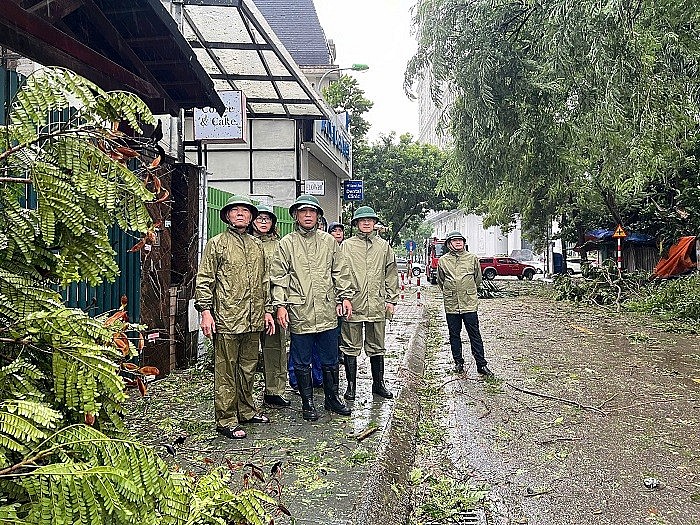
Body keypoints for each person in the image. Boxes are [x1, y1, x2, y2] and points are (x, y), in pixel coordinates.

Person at [194, 195, 276, 439]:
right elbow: (205, 279)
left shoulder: (257, 246)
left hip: (253, 319)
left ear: (250, 217)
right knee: (226, 370)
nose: (240, 213)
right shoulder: (217, 244)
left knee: (248, 367)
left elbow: (265, 281)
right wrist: (206, 312)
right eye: (235, 210)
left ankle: (247, 410)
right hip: (227, 318)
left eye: (244, 210)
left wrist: (267, 311)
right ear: (227, 216)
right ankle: (226, 418)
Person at [270, 194, 354, 421]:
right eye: (303, 211)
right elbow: (279, 277)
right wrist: (280, 306)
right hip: (300, 311)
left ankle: (332, 398)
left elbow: (340, 271)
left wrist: (344, 298)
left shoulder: (328, 242)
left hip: (327, 310)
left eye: (312, 212)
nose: (308, 215)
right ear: (296, 216)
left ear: (318, 216)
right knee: (301, 360)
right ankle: (307, 403)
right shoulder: (287, 243)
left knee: (330, 359)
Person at [340, 206, 399, 401]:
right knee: (350, 346)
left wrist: (391, 300)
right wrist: (342, 298)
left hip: (377, 303)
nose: (366, 223)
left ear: (375, 223)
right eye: (362, 220)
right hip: (353, 303)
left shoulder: (384, 247)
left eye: (370, 220)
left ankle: (378, 383)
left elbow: (391, 274)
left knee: (377, 345)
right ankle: (350, 385)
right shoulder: (346, 246)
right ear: (356, 223)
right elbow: (339, 273)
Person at [249, 204, 290, 408]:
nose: (264, 221)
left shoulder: (279, 245)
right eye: (260, 217)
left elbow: (283, 277)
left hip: (273, 305)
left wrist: (279, 304)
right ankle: (244, 396)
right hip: (247, 306)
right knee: (246, 352)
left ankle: (274, 391)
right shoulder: (245, 242)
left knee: (275, 349)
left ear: (273, 223)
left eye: (268, 218)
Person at [437, 230, 494, 378]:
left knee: (474, 334)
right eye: (454, 240)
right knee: (454, 335)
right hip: (452, 304)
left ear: (464, 242)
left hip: (469, 303)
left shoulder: (472, 258)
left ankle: (481, 364)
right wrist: (452, 291)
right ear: (449, 244)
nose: (458, 242)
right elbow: (441, 281)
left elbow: (478, 278)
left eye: (460, 240)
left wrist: (466, 290)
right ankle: (458, 363)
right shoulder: (443, 260)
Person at [327, 221, 346, 365]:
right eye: (335, 230)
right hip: (328, 296)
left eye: (340, 230)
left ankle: (340, 352)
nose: (338, 233)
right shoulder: (325, 248)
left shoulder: (347, 249)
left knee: (342, 327)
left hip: (343, 295)